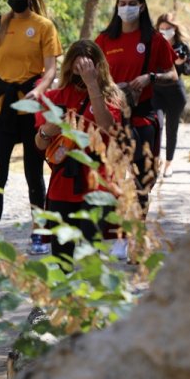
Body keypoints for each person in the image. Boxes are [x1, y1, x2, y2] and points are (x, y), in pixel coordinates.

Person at [0, 0, 62, 255]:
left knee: (33, 172)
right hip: (1, 107)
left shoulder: (43, 26)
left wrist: (41, 90)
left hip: (31, 106)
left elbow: (51, 69)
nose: (15, 0)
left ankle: (40, 233)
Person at [34, 40, 125, 258]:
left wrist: (93, 85)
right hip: (62, 183)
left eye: (88, 65)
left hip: (97, 184)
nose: (81, 72)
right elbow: (39, 144)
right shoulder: (55, 97)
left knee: (89, 256)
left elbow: (108, 128)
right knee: (62, 257)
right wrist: (47, 131)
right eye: (77, 65)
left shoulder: (111, 97)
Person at [95, 0, 176, 218]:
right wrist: (110, 88)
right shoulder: (104, 39)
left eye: (131, 4)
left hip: (143, 115)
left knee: (143, 179)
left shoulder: (154, 40)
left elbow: (172, 75)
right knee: (113, 174)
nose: (126, 8)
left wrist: (149, 78)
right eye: (122, 3)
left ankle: (138, 231)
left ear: (141, 7)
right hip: (112, 116)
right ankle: (116, 231)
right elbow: (93, 77)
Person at [154, 13, 190, 178]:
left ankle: (169, 164)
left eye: (168, 28)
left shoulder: (182, 47)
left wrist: (181, 64)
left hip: (175, 92)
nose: (164, 31)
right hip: (156, 91)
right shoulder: (153, 44)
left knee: (171, 128)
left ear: (174, 28)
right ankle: (155, 162)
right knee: (157, 125)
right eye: (161, 28)